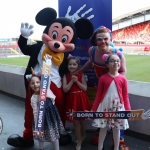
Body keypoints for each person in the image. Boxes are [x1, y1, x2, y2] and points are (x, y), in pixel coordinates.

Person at [80, 26, 129, 150]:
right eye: (99, 39)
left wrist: (115, 82)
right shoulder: (92, 51)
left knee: (119, 114)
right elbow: (90, 62)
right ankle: (100, 132)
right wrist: (80, 71)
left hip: (115, 87)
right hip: (100, 83)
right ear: (95, 41)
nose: (103, 42)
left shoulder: (118, 54)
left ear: (110, 39)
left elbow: (123, 71)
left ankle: (119, 141)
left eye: (106, 39)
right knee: (101, 108)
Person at [91, 52, 131, 150]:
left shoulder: (123, 79)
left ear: (120, 63)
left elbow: (125, 96)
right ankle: (100, 147)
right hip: (104, 106)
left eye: (117, 61)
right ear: (107, 64)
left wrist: (128, 110)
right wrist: (93, 109)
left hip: (118, 106)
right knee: (103, 128)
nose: (116, 63)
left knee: (116, 129)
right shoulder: (103, 78)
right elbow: (98, 95)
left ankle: (116, 148)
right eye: (112, 61)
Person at [26, 69, 65, 150]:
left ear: (42, 83)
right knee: (41, 135)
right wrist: (38, 124)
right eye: (32, 83)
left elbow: (47, 78)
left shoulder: (45, 90)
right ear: (30, 85)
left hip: (50, 117)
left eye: (37, 82)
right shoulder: (33, 98)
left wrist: (47, 63)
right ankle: (41, 148)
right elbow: (35, 111)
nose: (35, 84)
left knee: (54, 134)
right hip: (40, 119)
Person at [62, 56, 91, 150]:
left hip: (81, 99)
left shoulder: (81, 74)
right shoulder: (65, 75)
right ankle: (79, 140)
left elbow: (85, 88)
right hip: (72, 99)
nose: (72, 66)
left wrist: (77, 81)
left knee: (83, 120)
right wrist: (72, 81)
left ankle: (83, 135)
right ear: (67, 65)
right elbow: (65, 89)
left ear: (78, 66)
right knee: (75, 121)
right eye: (70, 64)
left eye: (74, 64)